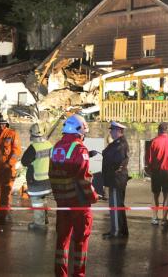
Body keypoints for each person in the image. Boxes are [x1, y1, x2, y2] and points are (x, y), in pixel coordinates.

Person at [50, 114, 97, 277]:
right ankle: (78, 274)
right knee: (81, 242)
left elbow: (53, 174)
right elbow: (83, 179)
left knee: (62, 241)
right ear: (79, 131)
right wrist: (93, 196)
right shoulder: (79, 148)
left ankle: (60, 274)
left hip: (62, 202)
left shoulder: (55, 147)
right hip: (79, 203)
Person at [146, 122, 168, 228]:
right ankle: (164, 219)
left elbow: (149, 159)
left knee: (155, 194)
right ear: (167, 130)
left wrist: (150, 170)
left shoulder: (154, 142)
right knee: (167, 195)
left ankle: (155, 218)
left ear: (158, 130)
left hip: (157, 172)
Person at [0, 113, 22, 224]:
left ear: (6, 123)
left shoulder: (12, 134)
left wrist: (9, 163)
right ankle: (1, 212)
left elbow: (16, 151)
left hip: (8, 169)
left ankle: (5, 213)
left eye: (3, 123)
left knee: (6, 192)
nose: (1, 126)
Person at [21, 122, 53, 231]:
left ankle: (39, 224)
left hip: (36, 180)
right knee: (43, 200)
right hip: (47, 180)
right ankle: (44, 219)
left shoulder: (33, 147)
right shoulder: (49, 144)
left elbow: (24, 162)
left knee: (37, 201)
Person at [101, 121, 130, 239]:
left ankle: (116, 231)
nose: (110, 132)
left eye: (112, 130)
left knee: (115, 206)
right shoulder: (118, 143)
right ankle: (121, 230)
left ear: (119, 131)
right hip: (116, 179)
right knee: (118, 205)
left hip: (116, 179)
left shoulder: (120, 144)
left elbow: (116, 161)